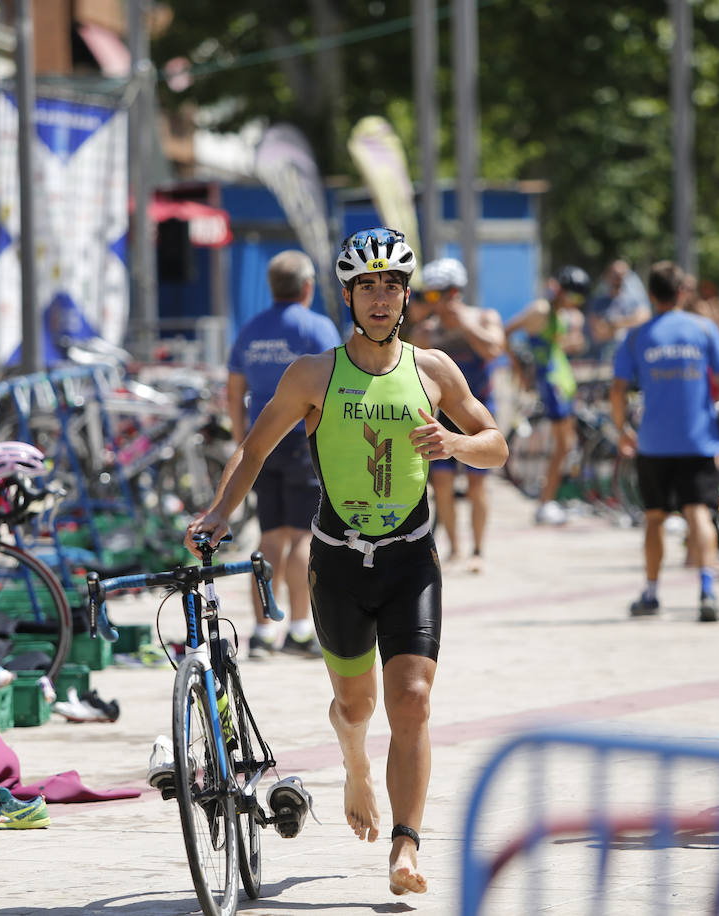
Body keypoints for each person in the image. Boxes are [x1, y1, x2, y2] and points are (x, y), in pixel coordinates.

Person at [187, 227, 507, 895]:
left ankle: (405, 847)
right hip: (337, 564)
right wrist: (219, 514)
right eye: (368, 286)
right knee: (355, 706)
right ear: (348, 296)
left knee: (413, 702)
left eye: (392, 284)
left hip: (411, 559)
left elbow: (496, 444)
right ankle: (355, 763)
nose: (382, 297)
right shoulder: (313, 374)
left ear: (407, 295)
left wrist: (453, 442)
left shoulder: (434, 370)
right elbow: (253, 450)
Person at [610, 261, 719, 622]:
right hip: (699, 441)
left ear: (651, 295)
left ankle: (651, 593)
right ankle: (707, 589)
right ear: (682, 292)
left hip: (652, 443)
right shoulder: (704, 329)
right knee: (699, 512)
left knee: (654, 518)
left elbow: (618, 389)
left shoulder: (637, 336)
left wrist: (622, 429)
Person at [226, 250, 342, 658]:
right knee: (302, 536)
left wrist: (244, 442)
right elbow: (336, 384)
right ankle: (297, 628)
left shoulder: (251, 329)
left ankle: (260, 632)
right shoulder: (317, 328)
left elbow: (234, 387)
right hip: (301, 441)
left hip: (262, 442)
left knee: (269, 536)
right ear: (307, 287)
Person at [408, 257, 506, 572]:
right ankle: (453, 548)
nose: (436, 302)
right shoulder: (427, 331)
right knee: (442, 482)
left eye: (442, 294)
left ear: (456, 291)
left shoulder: (484, 317)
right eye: (432, 296)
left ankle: (478, 549)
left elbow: (494, 349)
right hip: (442, 415)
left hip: (479, 410)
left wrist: (462, 320)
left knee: (477, 484)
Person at [504, 266, 588, 525]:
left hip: (561, 379)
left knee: (567, 444)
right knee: (562, 445)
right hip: (552, 382)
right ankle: (545, 502)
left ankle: (549, 500)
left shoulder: (557, 313)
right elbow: (507, 331)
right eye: (572, 297)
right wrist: (519, 368)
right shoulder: (541, 310)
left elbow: (555, 344)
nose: (574, 304)